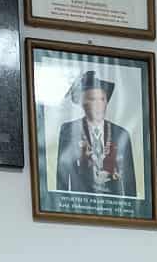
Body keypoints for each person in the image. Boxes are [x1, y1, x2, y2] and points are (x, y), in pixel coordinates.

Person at [54, 68, 134, 197]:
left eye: (102, 99)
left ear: (107, 102)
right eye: (92, 99)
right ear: (82, 103)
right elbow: (62, 177)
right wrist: (61, 203)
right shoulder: (68, 130)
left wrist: (133, 206)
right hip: (79, 202)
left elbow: (129, 181)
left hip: (113, 204)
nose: (98, 105)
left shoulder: (121, 133)